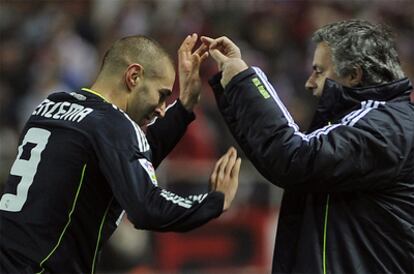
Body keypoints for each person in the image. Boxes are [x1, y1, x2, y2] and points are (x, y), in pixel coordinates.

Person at [0, 34, 241, 273]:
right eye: (162, 95)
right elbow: (146, 206)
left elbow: (127, 157)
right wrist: (213, 201)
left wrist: (185, 104)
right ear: (133, 76)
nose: (161, 110)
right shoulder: (114, 124)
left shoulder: (50, 106)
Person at [202, 19, 414, 273]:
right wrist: (234, 88)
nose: (310, 82)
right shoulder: (376, 121)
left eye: (319, 71)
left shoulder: (386, 125)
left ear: (354, 75)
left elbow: (294, 157)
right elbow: (279, 161)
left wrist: (245, 81)